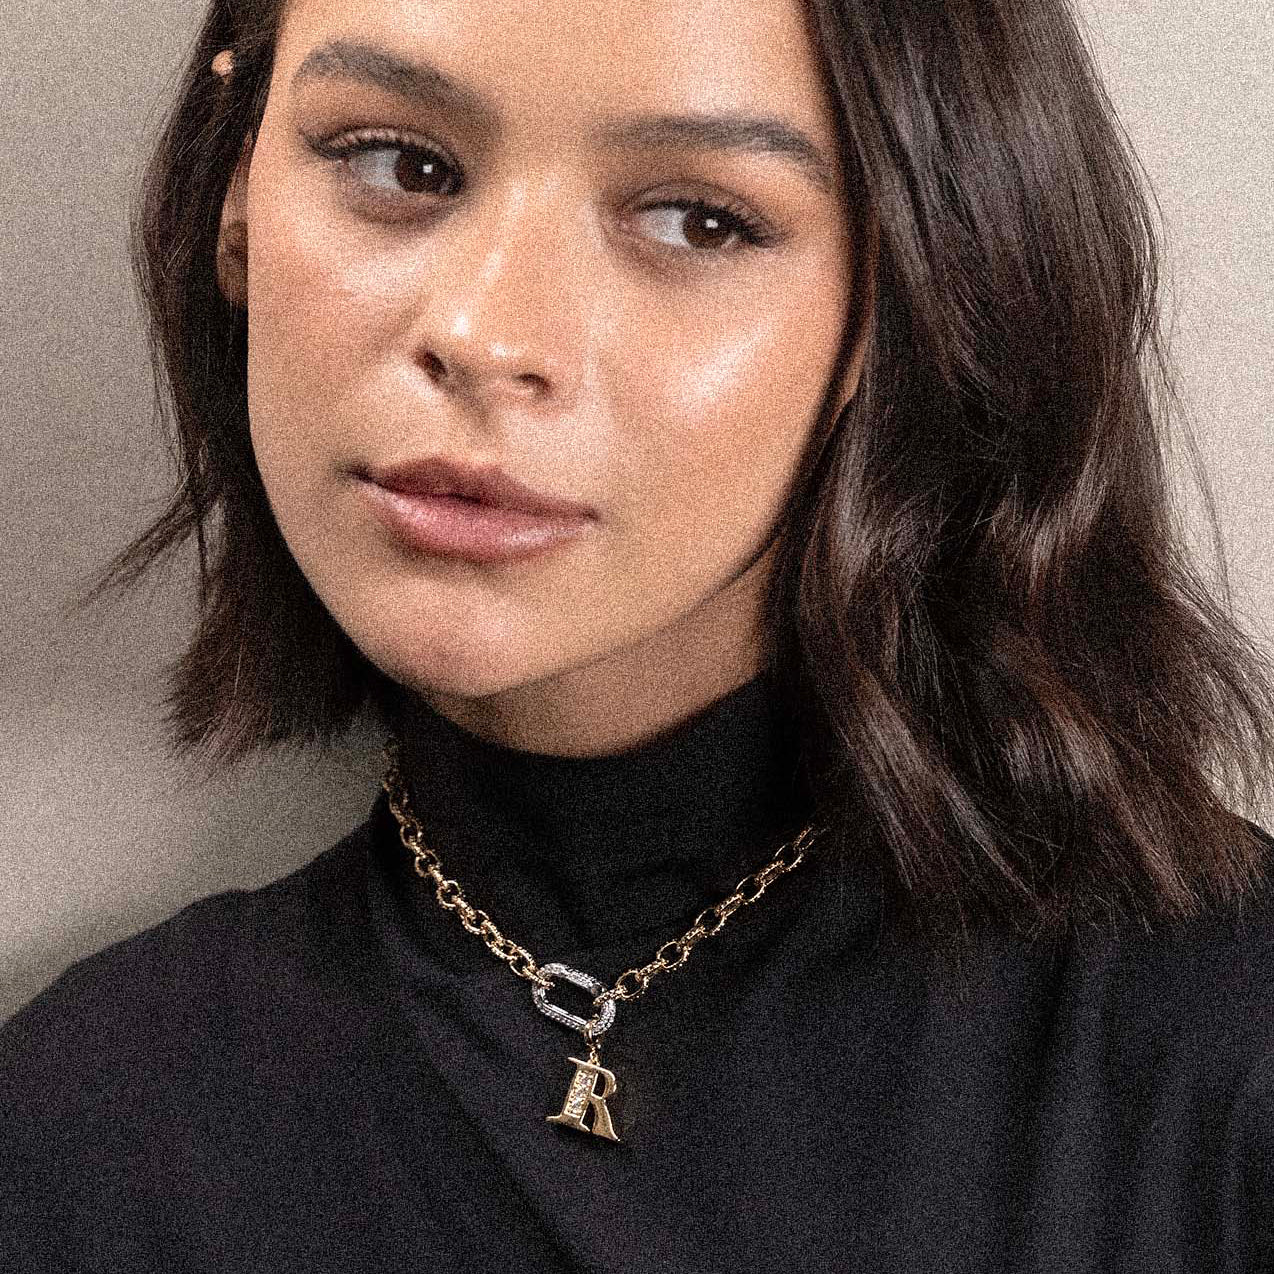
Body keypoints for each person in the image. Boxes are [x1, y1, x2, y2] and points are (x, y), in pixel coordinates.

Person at [3, 0, 1273, 1267]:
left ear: (905, 303)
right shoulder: (79, 1126)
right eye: (398, 162)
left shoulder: (1220, 1054)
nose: (486, 335)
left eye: (698, 220)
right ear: (237, 196)